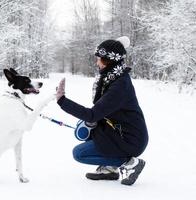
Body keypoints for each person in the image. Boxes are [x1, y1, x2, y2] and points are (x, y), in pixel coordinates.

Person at [55, 36, 148, 186]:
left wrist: (62, 101)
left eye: (99, 58)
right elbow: (98, 113)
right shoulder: (111, 78)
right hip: (117, 132)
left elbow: (93, 114)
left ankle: (129, 163)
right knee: (88, 133)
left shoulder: (119, 86)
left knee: (79, 154)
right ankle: (110, 169)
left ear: (109, 60)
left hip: (130, 139)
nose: (96, 62)